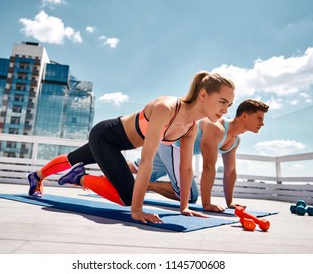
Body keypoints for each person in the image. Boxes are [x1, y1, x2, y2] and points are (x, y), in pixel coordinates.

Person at [27, 71, 235, 223]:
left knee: (73, 158)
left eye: (229, 105)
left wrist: (184, 207)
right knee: (127, 198)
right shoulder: (167, 108)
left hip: (117, 144)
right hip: (106, 136)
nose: (225, 110)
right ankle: (78, 177)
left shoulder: (191, 126)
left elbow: (186, 169)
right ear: (203, 95)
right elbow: (146, 160)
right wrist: (137, 211)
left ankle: (36, 176)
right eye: (222, 102)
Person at [130, 99, 269, 212]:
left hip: (171, 147)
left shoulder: (235, 140)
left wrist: (230, 202)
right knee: (189, 195)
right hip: (173, 144)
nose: (262, 123)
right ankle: (143, 185)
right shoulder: (216, 127)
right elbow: (208, 166)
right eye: (259, 118)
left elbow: (230, 171)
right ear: (244, 116)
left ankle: (112, 172)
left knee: (136, 168)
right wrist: (206, 204)